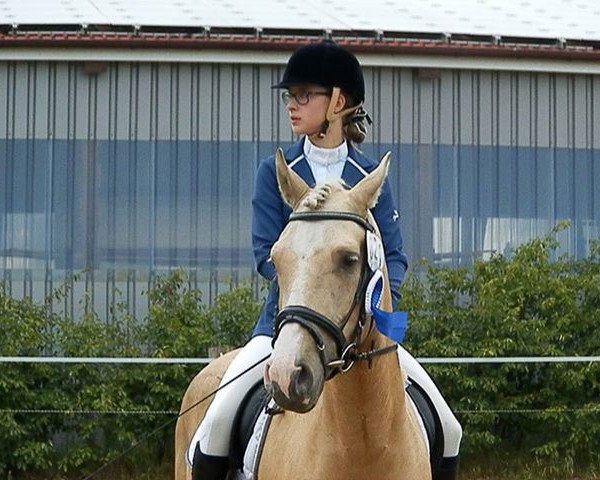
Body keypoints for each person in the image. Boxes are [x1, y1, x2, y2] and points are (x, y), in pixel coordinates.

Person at [187, 39, 462, 480]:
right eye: (289, 96)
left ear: (338, 101)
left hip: (366, 331)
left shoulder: (367, 178)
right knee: (216, 423)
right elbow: (265, 254)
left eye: (303, 94)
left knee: (449, 428)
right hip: (288, 327)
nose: (292, 105)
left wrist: (378, 313)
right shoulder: (276, 171)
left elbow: (394, 256)